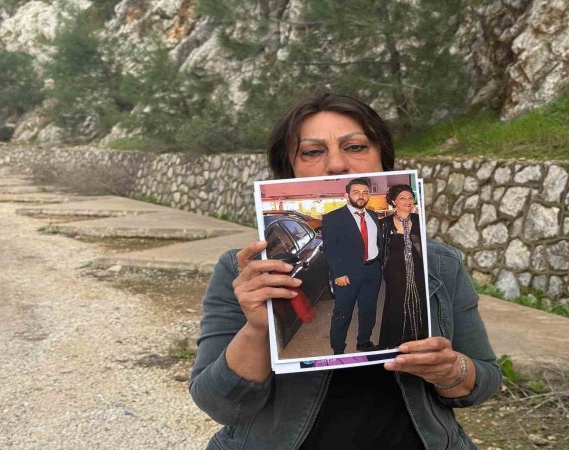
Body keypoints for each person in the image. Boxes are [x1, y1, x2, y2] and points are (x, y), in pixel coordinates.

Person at [189, 93, 502, 449]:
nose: (337, 164)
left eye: (355, 147)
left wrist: (452, 370)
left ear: (383, 160)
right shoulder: (241, 272)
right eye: (312, 152)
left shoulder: (439, 263)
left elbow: (483, 381)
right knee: (342, 316)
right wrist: (259, 328)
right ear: (288, 169)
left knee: (367, 316)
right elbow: (218, 404)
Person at [321, 177, 382, 354]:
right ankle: (338, 349)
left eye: (365, 192)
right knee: (343, 311)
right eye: (356, 192)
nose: (361, 196)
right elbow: (330, 249)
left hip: (372, 270)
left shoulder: (372, 216)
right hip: (347, 273)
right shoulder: (333, 218)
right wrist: (338, 273)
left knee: (368, 309)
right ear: (347, 195)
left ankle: (364, 342)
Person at [378, 184, 428, 350]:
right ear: (394, 201)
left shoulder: (420, 221)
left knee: (420, 302)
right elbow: (380, 249)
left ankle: (421, 339)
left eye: (410, 197)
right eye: (402, 198)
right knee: (397, 305)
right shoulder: (384, 224)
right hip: (395, 273)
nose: (408, 201)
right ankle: (397, 343)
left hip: (419, 270)